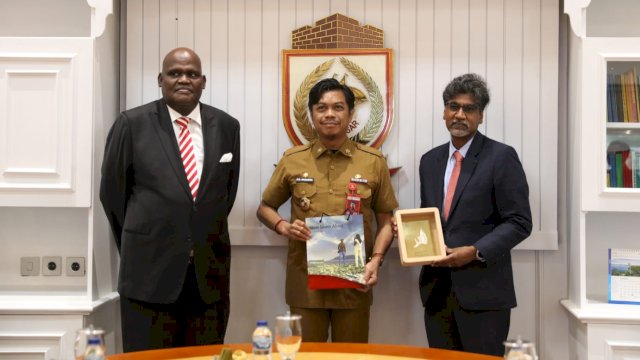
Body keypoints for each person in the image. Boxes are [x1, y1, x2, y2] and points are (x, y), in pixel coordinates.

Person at [99, 47, 240, 352]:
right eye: (175, 73)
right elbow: (112, 195)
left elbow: (223, 196)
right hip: (148, 276)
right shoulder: (132, 124)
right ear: (160, 79)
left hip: (208, 279)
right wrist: (143, 241)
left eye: (191, 74)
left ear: (203, 81)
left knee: (204, 357)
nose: (183, 79)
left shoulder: (228, 127)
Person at [256, 78, 398, 343]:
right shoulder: (292, 159)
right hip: (306, 286)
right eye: (321, 108)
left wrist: (376, 261)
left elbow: (386, 220)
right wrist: (284, 227)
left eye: (338, 107)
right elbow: (265, 208)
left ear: (351, 113)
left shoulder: (373, 162)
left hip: (355, 284)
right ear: (311, 114)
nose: (330, 114)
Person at [415, 73, 532, 355]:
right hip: (437, 293)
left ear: (481, 116)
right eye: (453, 106)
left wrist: (474, 251)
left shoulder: (501, 157)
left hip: (484, 293)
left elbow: (519, 222)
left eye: (469, 109)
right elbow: (431, 219)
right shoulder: (429, 161)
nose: (459, 114)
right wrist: (409, 233)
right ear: (444, 112)